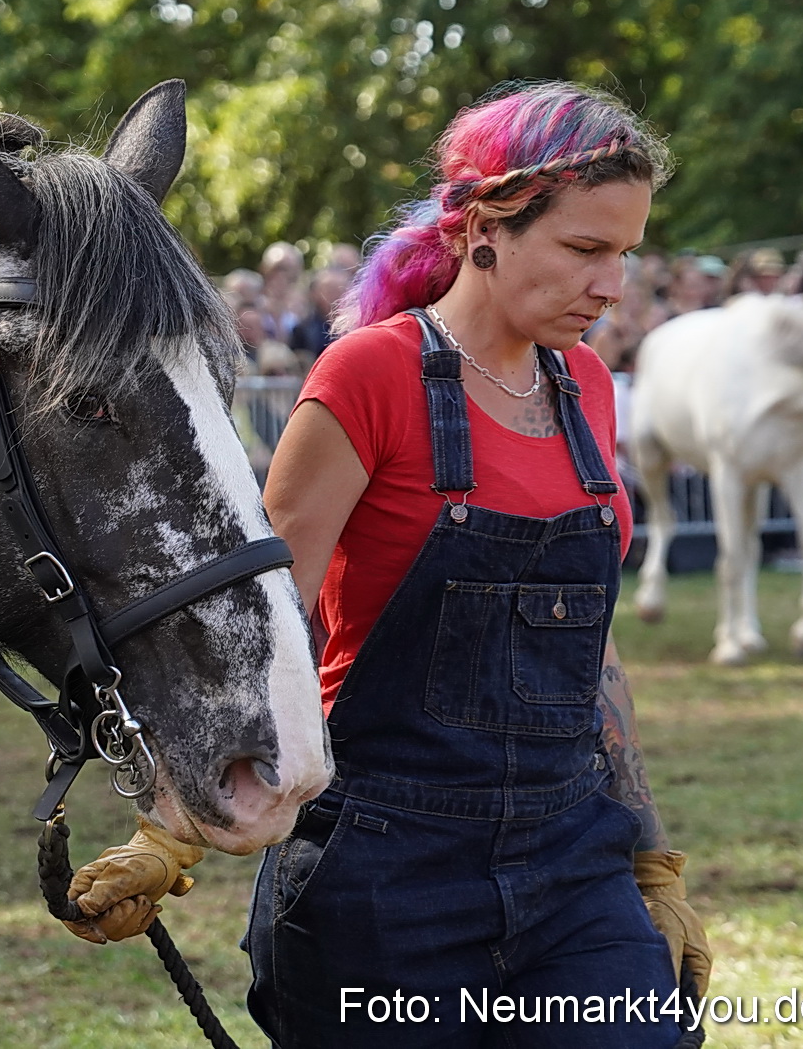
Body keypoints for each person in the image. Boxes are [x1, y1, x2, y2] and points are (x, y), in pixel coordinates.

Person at [59, 82, 712, 1047]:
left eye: (624, 252)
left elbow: (591, 649)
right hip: (383, 869)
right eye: (585, 249)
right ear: (486, 226)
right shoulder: (369, 374)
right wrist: (166, 829)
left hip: (574, 861)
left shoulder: (588, 387)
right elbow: (263, 623)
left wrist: (648, 857)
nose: (612, 285)